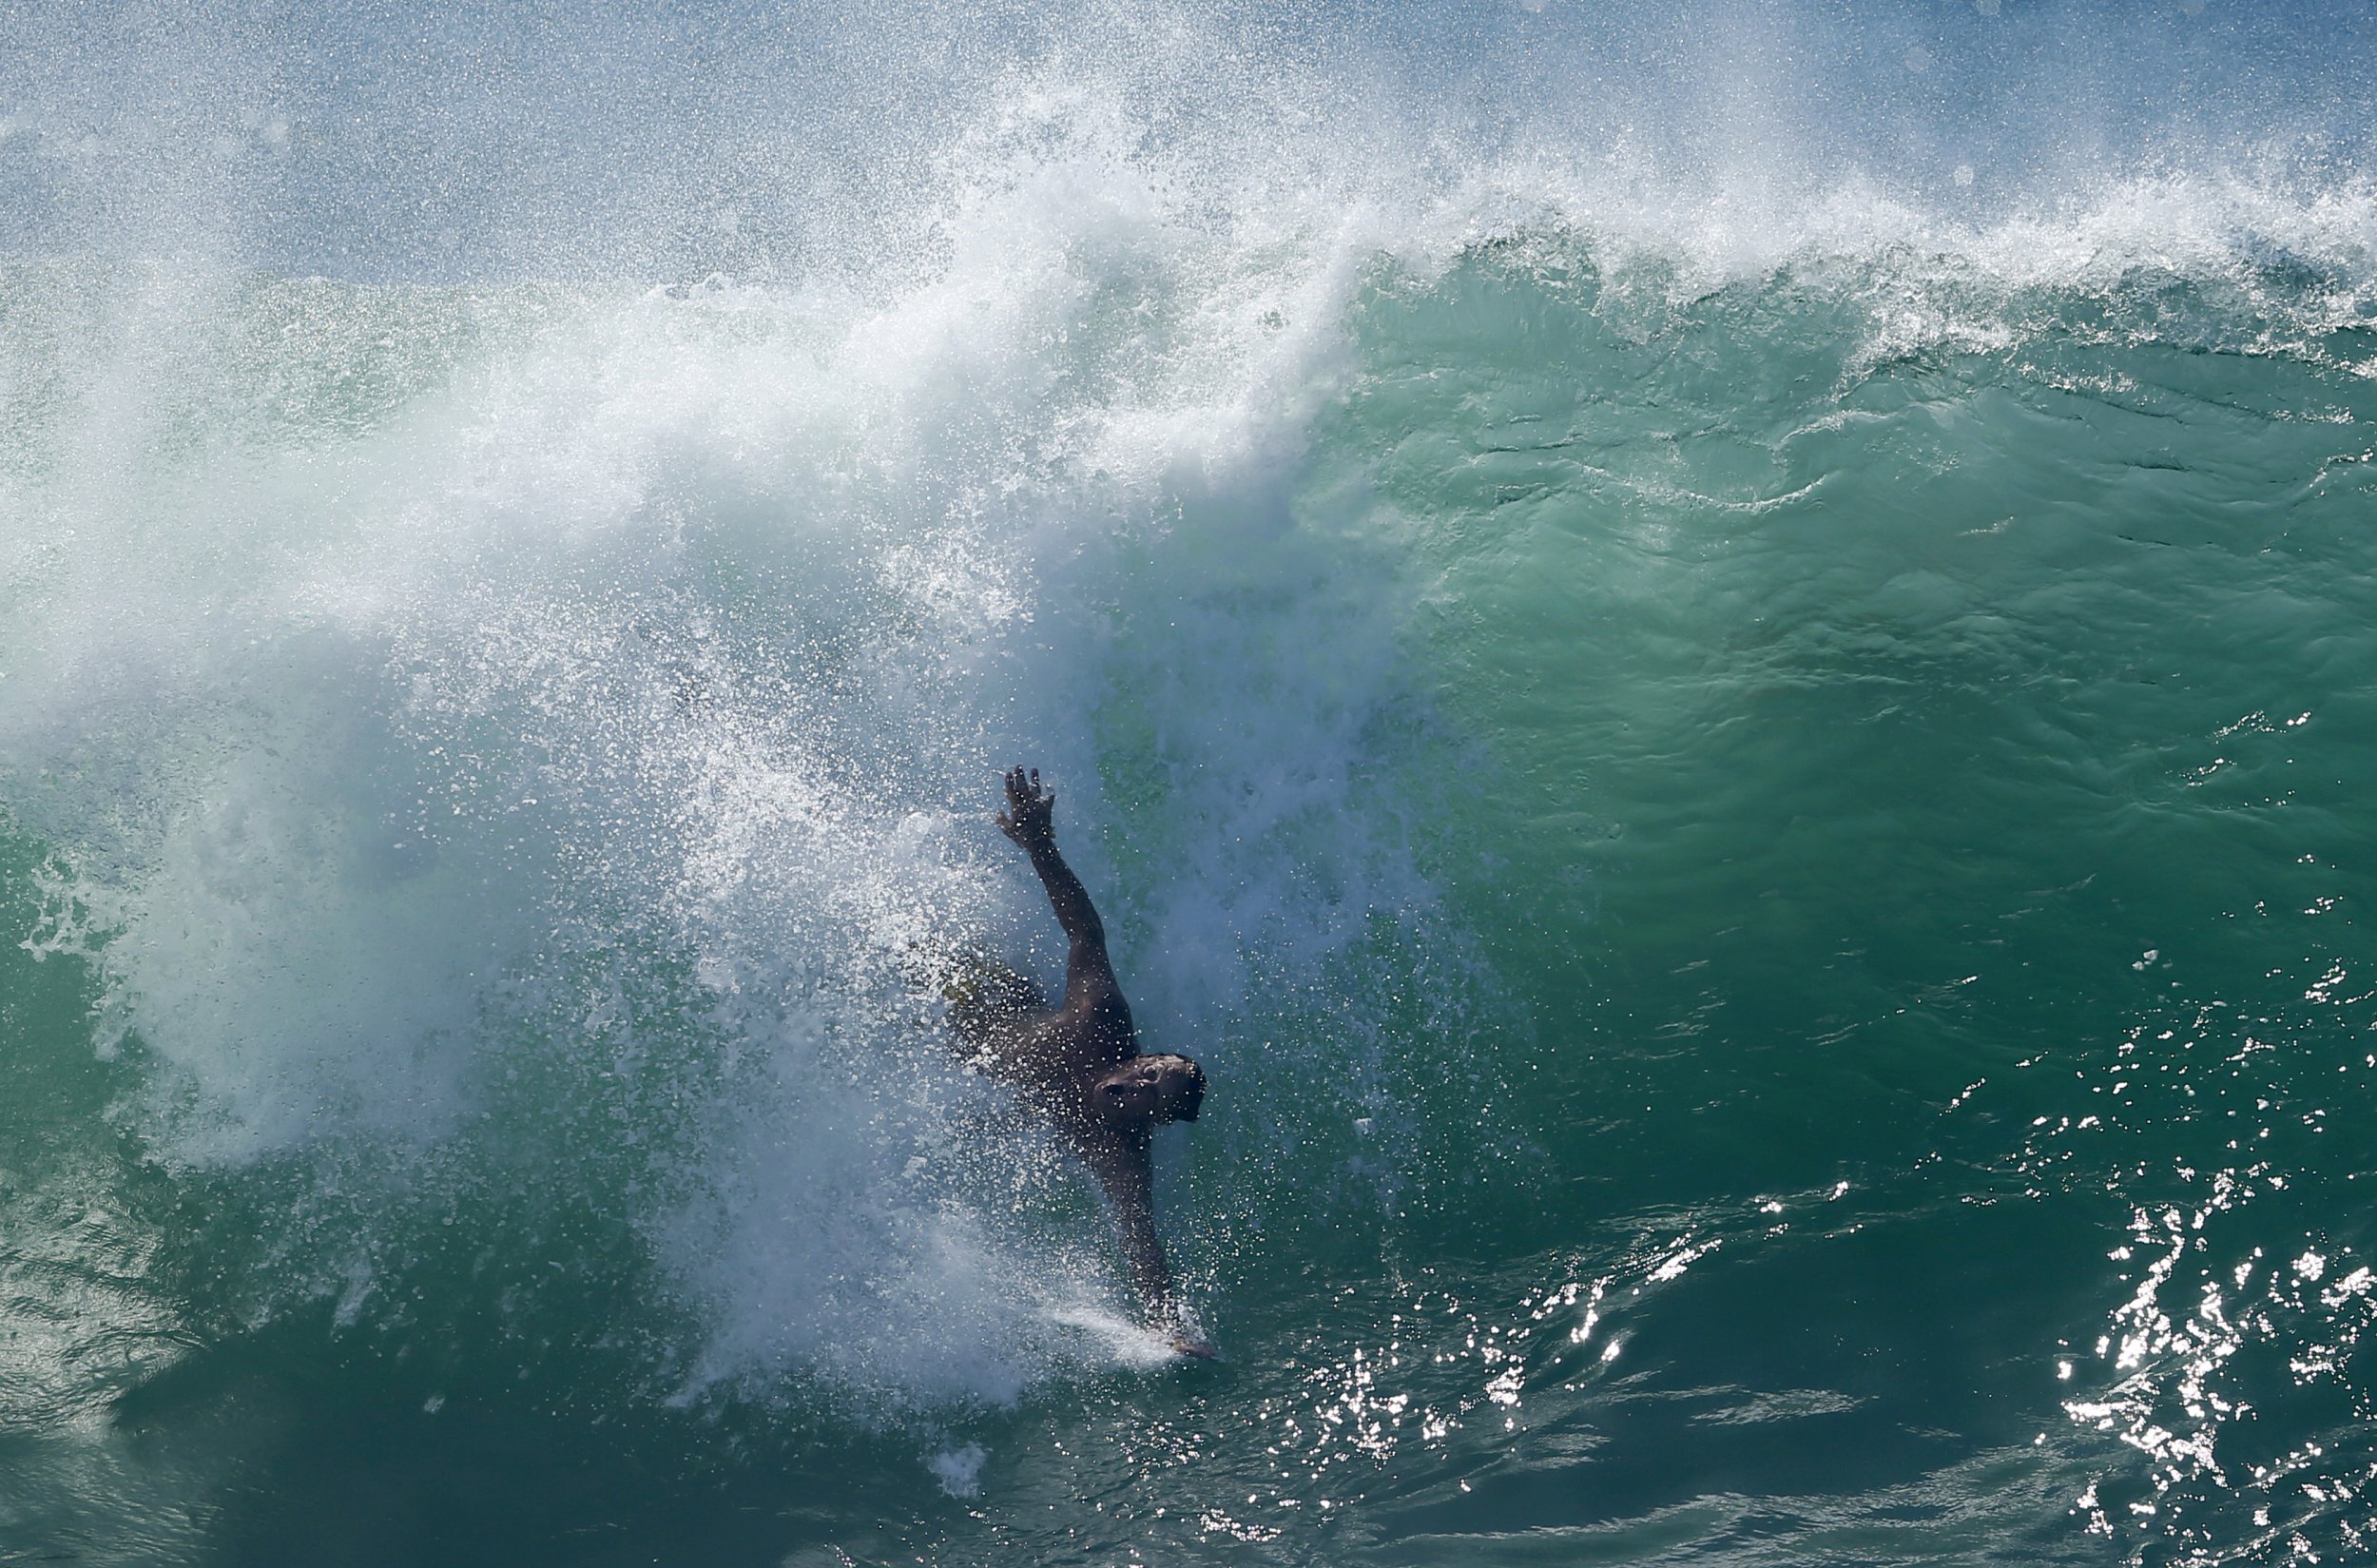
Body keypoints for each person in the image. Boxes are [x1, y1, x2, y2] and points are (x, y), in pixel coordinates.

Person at [942, 766, 1214, 1358]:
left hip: (977, 1088)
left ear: (1153, 1119)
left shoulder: (1122, 1154)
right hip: (984, 1002)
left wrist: (1168, 1328)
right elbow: (1084, 932)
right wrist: (1042, 846)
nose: (1138, 1084)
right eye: (1148, 1071)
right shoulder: (1102, 1021)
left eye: (1152, 1094)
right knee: (911, 964)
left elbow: (1143, 1244)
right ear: (1139, 1057)